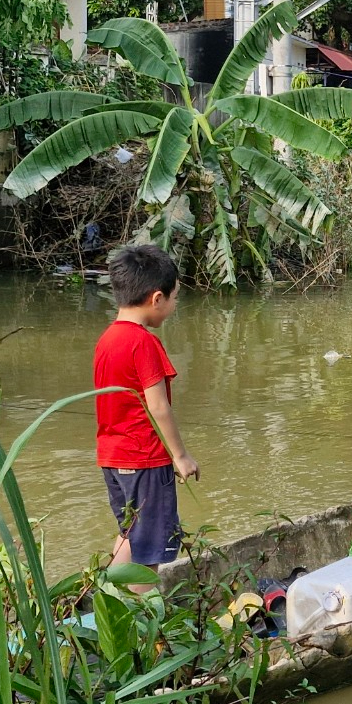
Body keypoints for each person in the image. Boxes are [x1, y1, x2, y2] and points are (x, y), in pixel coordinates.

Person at [94, 245, 199, 589]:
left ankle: (109, 601)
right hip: (144, 460)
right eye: (175, 297)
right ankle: (141, 621)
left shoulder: (107, 340)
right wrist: (180, 456)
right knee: (148, 552)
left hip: (112, 458)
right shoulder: (144, 343)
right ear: (157, 299)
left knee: (130, 534)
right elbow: (158, 407)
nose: (174, 305)